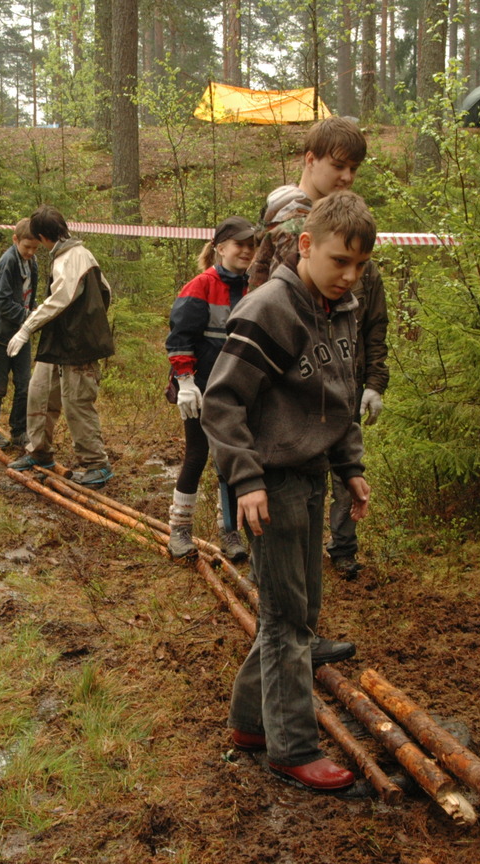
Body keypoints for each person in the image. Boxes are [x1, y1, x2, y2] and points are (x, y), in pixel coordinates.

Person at [202, 191, 376, 793]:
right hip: (269, 483)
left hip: (309, 477)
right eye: (338, 262)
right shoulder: (269, 308)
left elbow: (339, 394)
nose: (348, 277)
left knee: (295, 612)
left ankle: (252, 723)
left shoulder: (342, 308)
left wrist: (349, 465)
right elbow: (222, 404)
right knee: (286, 620)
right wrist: (246, 479)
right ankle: (292, 747)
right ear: (305, 246)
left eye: (360, 266)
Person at [248, 115, 389, 580]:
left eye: (355, 170)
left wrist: (369, 379)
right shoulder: (295, 226)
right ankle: (282, 617)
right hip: (293, 390)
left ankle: (299, 615)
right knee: (287, 515)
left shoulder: (334, 224)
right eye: (339, 166)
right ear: (310, 160)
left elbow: (365, 309)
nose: (347, 178)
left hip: (329, 380)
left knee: (310, 505)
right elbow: (283, 312)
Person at [164, 215, 256, 562]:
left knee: (232, 459)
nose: (246, 251)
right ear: (220, 248)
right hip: (199, 389)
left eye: (251, 245)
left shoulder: (254, 287)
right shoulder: (200, 286)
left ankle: (229, 531)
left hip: (237, 390)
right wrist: (185, 381)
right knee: (197, 454)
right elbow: (179, 337)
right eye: (239, 245)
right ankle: (180, 530)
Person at [5, 205, 115, 488]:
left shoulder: (72, 257)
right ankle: (39, 452)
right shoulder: (69, 255)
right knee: (40, 393)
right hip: (57, 342)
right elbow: (107, 292)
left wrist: (26, 328)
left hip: (79, 346)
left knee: (77, 403)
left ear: (42, 236)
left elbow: (61, 297)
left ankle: (97, 465)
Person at [0, 218, 40, 449]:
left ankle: (19, 430)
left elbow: (29, 296)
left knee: (25, 384)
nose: (31, 252)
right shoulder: (8, 262)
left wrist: (30, 319)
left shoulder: (32, 264)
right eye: (27, 247)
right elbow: (2, 301)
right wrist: (29, 316)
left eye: (35, 248)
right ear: (15, 240)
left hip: (20, 333)